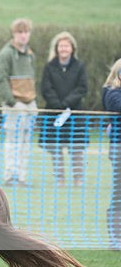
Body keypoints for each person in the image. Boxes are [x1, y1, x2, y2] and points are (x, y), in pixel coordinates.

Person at [38, 32, 89, 187]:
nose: (64, 49)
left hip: (75, 114)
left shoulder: (79, 67)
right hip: (54, 114)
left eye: (67, 46)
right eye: (61, 46)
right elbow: (46, 88)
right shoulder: (49, 67)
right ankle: (60, 178)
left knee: (77, 148)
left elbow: (82, 88)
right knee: (56, 148)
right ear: (57, 48)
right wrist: (58, 105)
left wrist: (67, 103)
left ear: (72, 48)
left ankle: (78, 178)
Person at [0, 18, 37, 187]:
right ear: (14, 34)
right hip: (14, 104)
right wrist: (11, 102)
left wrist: (32, 101)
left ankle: (21, 177)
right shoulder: (6, 53)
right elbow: (0, 79)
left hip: (30, 104)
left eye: (26, 32)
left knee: (26, 141)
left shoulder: (30, 54)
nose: (23, 35)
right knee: (13, 140)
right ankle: (10, 176)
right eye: (20, 32)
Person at [102, 58, 121, 250]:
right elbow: (117, 106)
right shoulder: (111, 93)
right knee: (118, 194)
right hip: (118, 148)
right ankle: (115, 237)